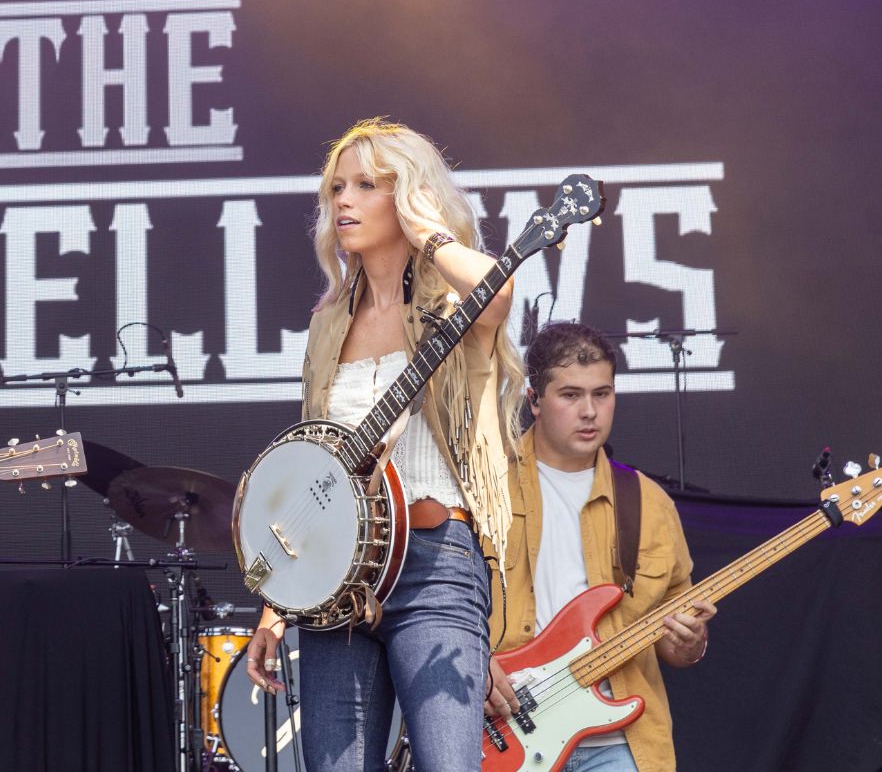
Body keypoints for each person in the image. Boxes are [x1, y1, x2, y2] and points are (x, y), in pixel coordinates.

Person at [245, 118, 525, 772]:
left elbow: (498, 292)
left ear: (409, 194)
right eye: (337, 187)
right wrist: (276, 602)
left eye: (367, 185)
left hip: (435, 565)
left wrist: (428, 231)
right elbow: (319, 473)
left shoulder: (455, 303)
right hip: (338, 578)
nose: (343, 200)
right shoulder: (327, 322)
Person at [484, 322, 711, 772]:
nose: (589, 411)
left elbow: (676, 639)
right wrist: (476, 661)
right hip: (503, 731)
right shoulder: (484, 484)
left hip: (617, 741)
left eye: (602, 394)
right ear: (534, 400)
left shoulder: (649, 503)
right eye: (571, 395)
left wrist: (691, 643)